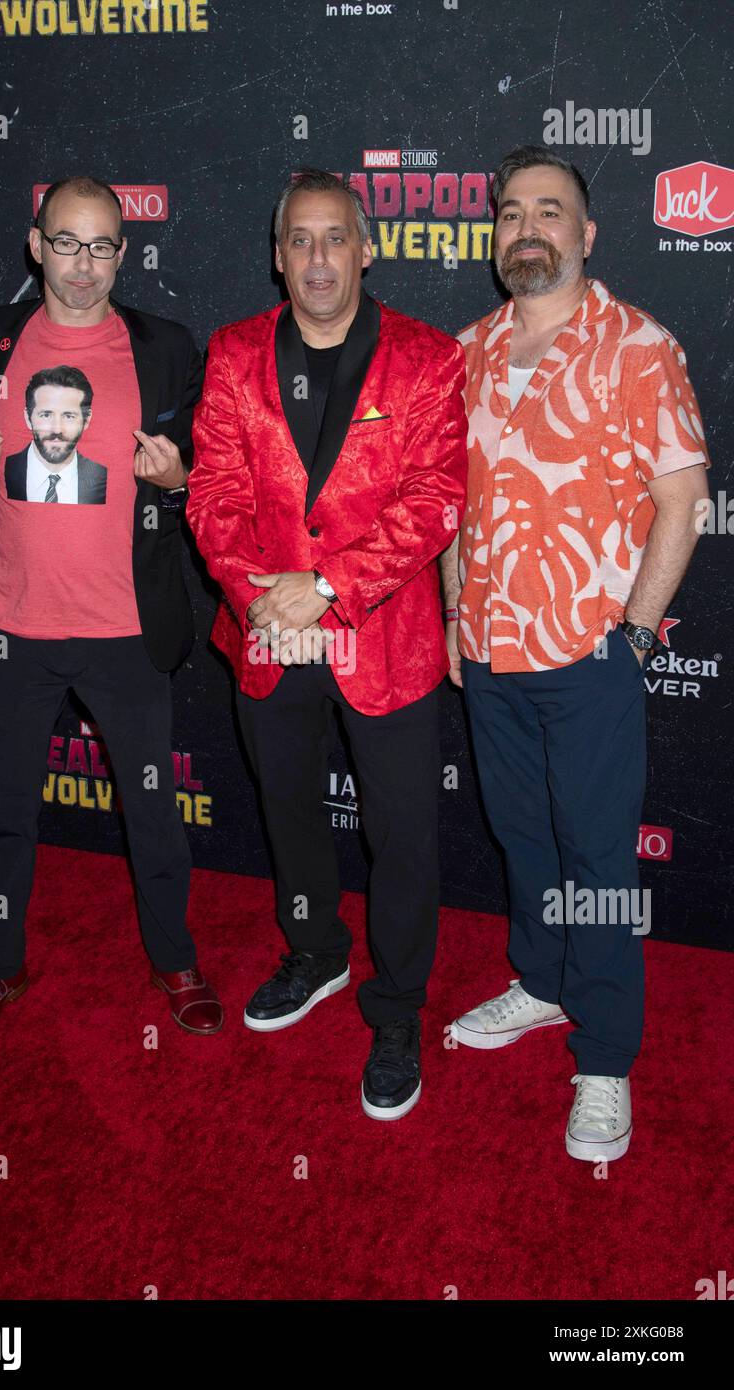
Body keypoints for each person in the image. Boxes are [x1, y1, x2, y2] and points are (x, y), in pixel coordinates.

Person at [440, 145, 710, 1161]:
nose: (527, 228)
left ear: (586, 235)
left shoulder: (639, 345)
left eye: (548, 212)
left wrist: (633, 638)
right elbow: (455, 507)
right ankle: (544, 981)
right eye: (511, 212)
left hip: (590, 655)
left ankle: (604, 1058)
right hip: (492, 652)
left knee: (597, 860)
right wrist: (456, 609)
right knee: (522, 835)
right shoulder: (465, 349)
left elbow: (683, 500)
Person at [187, 168, 468, 1120]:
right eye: (298, 241)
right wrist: (262, 598)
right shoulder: (231, 355)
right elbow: (213, 493)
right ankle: (314, 951)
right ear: (277, 256)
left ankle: (395, 1012)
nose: (316, 258)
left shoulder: (428, 360)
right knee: (290, 810)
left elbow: (436, 501)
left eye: (334, 238)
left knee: (403, 837)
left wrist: (332, 588)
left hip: (383, 639)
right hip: (268, 631)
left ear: (366, 247)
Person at [0, 175, 223, 1046]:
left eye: (102, 246)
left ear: (123, 254)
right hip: (16, 623)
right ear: (36, 244)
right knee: (7, 813)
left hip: (125, 631)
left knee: (153, 814)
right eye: (67, 242)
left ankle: (175, 959)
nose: (84, 264)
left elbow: (205, 471)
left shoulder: (165, 346)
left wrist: (178, 484)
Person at [4, 366, 107, 504]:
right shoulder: (2, 469)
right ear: (28, 418)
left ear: (86, 420)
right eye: (46, 415)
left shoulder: (101, 475)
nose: (57, 430)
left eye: (69, 416)